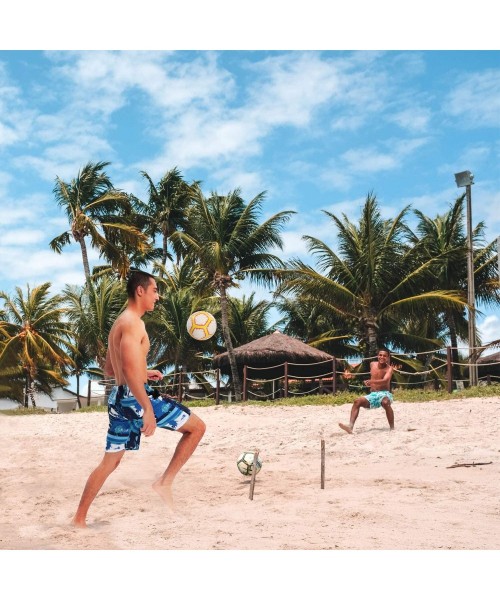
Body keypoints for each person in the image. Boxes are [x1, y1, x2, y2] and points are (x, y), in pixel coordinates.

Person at [71, 270, 206, 528]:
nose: (158, 296)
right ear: (140, 291)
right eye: (155, 290)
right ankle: (164, 483)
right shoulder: (134, 322)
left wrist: (144, 372)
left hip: (119, 399)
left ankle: (79, 519)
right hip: (135, 398)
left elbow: (112, 370)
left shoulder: (119, 323)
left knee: (110, 462)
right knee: (197, 428)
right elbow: (130, 371)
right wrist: (147, 408)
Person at [338, 348, 395, 434]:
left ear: (387, 357)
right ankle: (350, 426)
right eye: (380, 355)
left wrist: (372, 381)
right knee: (357, 401)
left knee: (385, 402)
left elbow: (385, 380)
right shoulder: (372, 364)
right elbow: (373, 377)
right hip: (373, 395)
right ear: (377, 356)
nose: (382, 357)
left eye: (384, 356)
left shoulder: (389, 369)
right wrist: (368, 383)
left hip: (384, 393)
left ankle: (392, 428)